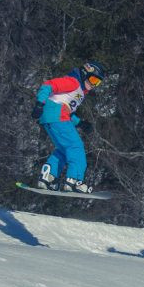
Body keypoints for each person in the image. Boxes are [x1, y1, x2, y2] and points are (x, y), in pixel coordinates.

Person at [31, 61, 105, 193]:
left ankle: (48, 176)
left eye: (97, 83)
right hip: (55, 115)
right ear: (85, 73)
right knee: (75, 146)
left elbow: (66, 109)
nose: (93, 85)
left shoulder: (80, 91)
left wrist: (80, 123)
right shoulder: (73, 82)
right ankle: (75, 181)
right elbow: (49, 85)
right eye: (93, 79)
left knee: (64, 149)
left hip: (52, 116)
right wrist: (39, 103)